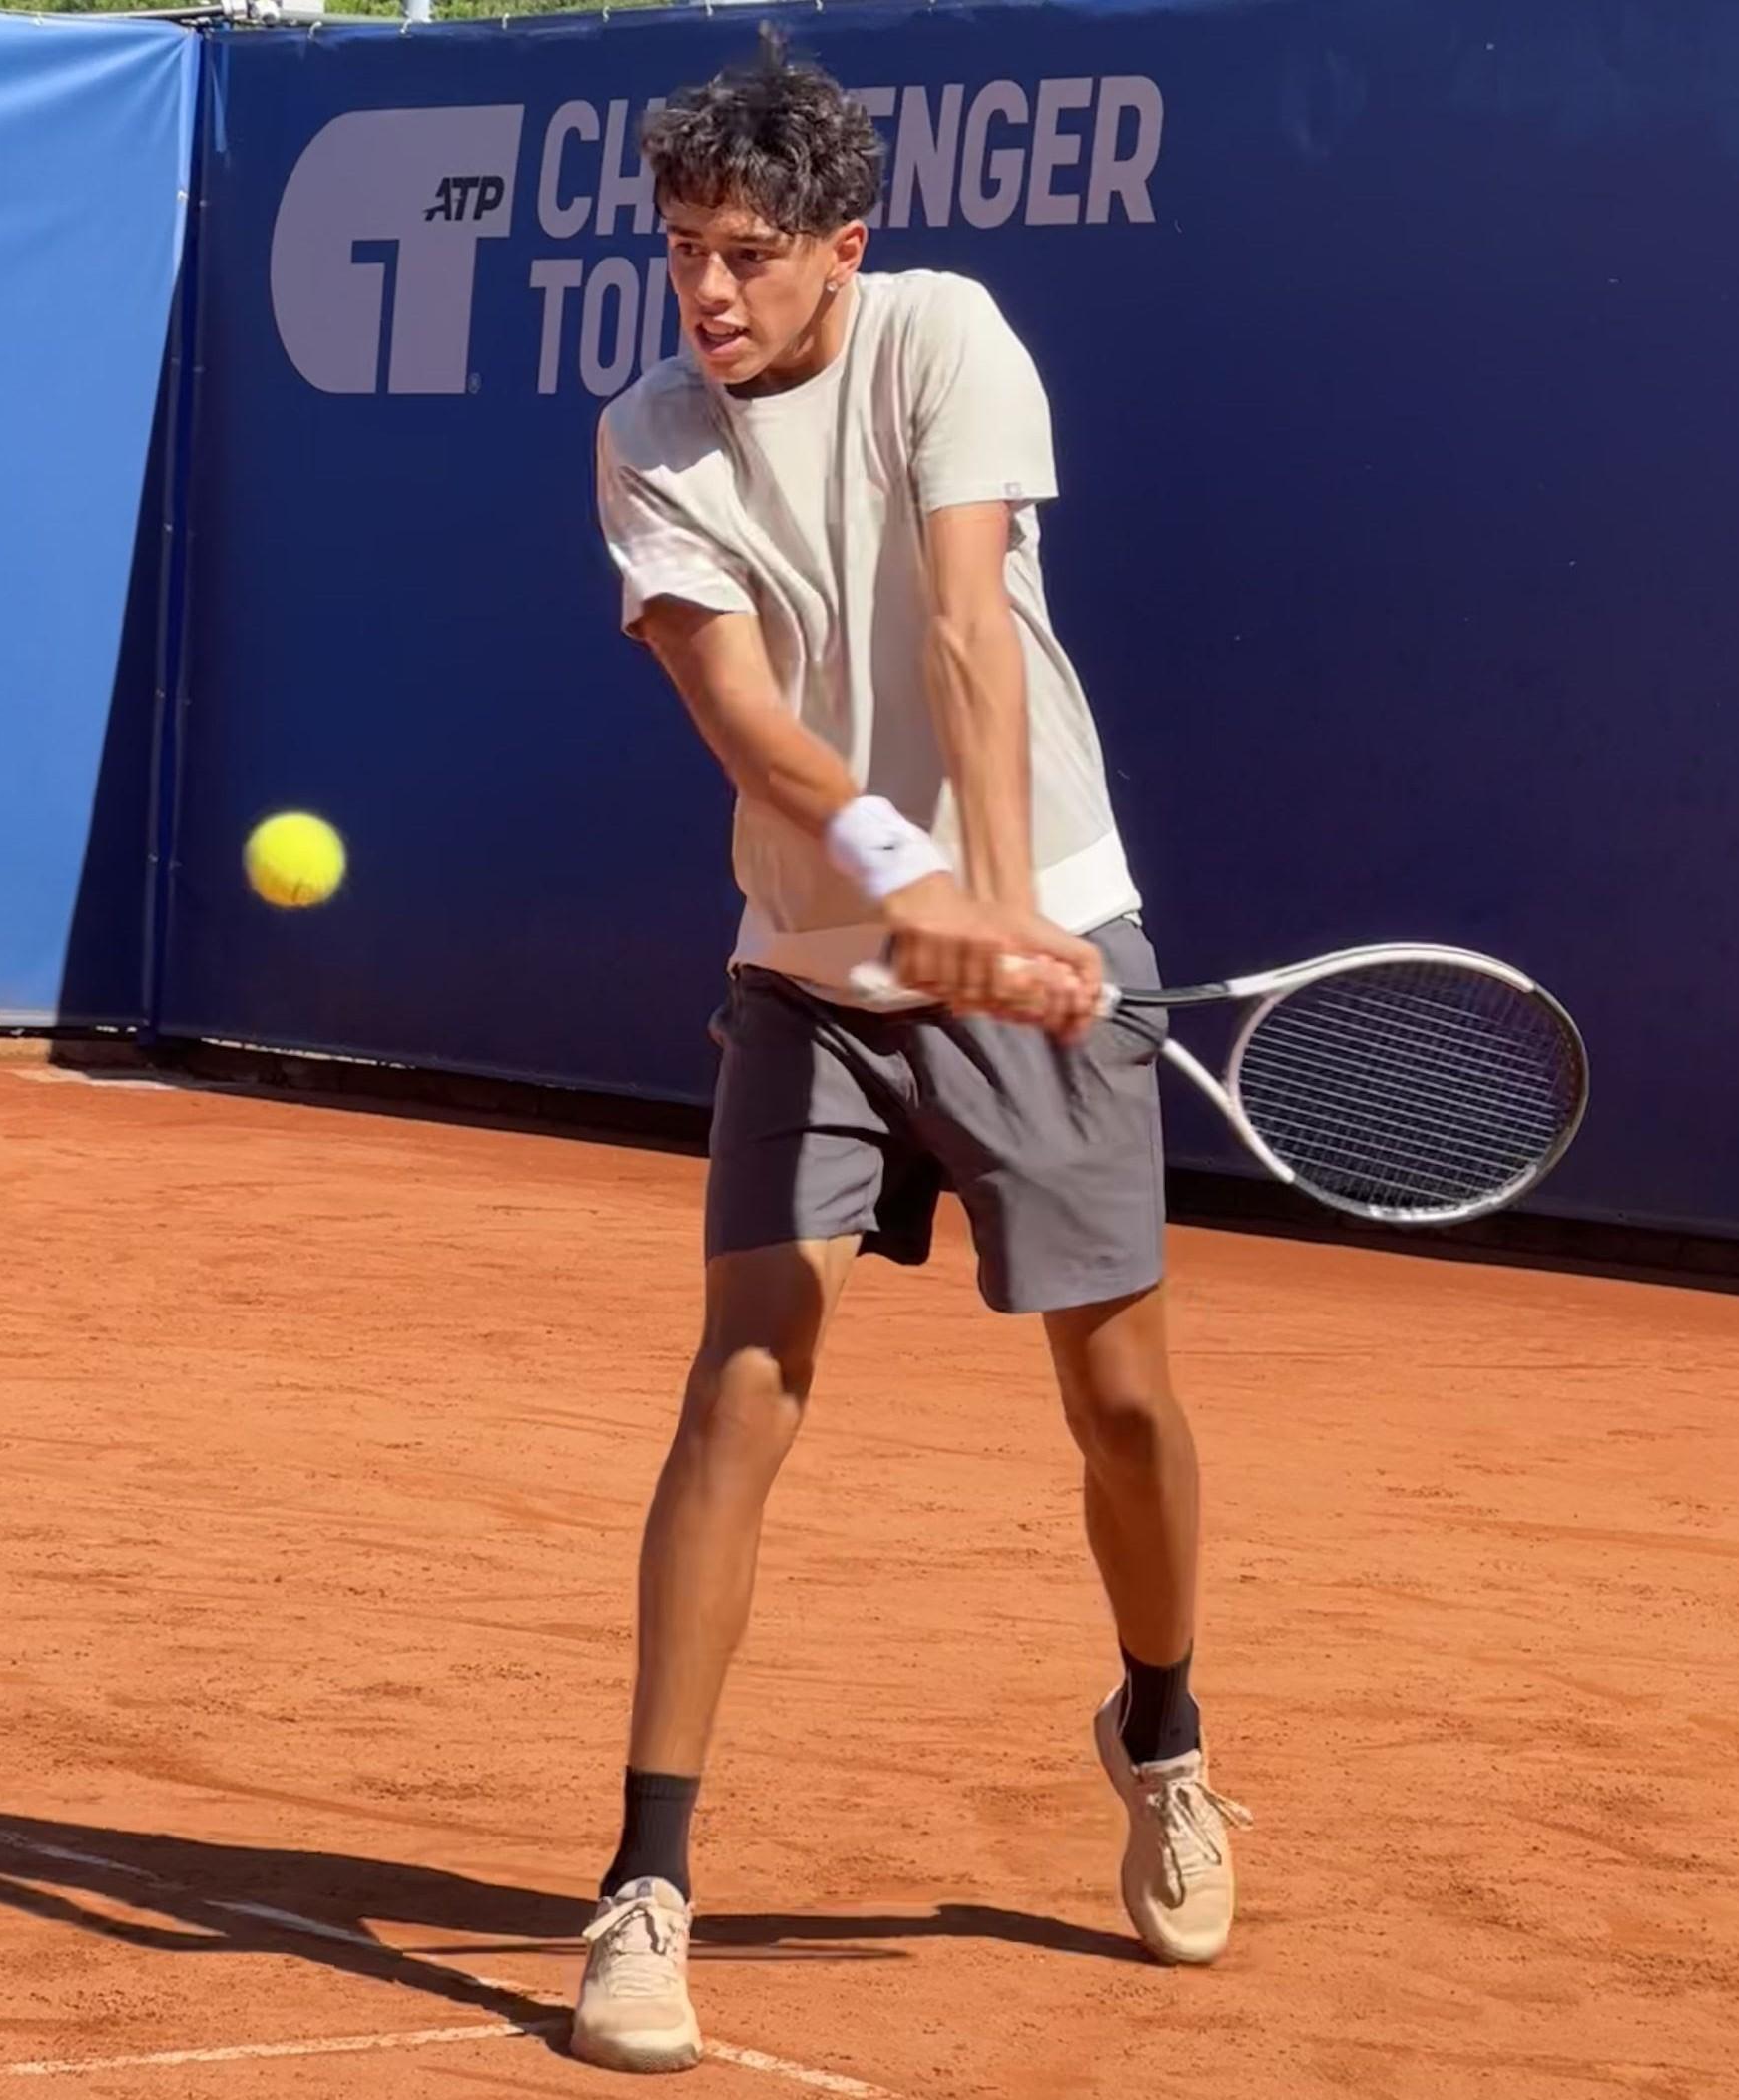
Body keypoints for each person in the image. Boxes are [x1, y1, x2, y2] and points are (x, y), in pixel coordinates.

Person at [573, 32, 1249, 2075]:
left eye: (750, 254)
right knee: (743, 1378)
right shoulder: (647, 433)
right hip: (808, 971)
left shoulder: (946, 334)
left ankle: (1161, 1723)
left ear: (843, 249)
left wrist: (999, 903)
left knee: (1119, 1404)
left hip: (1041, 928)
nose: (707, 291)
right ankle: (644, 1881)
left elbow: (965, 624)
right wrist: (898, 884)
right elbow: (749, 723)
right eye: (684, 248)